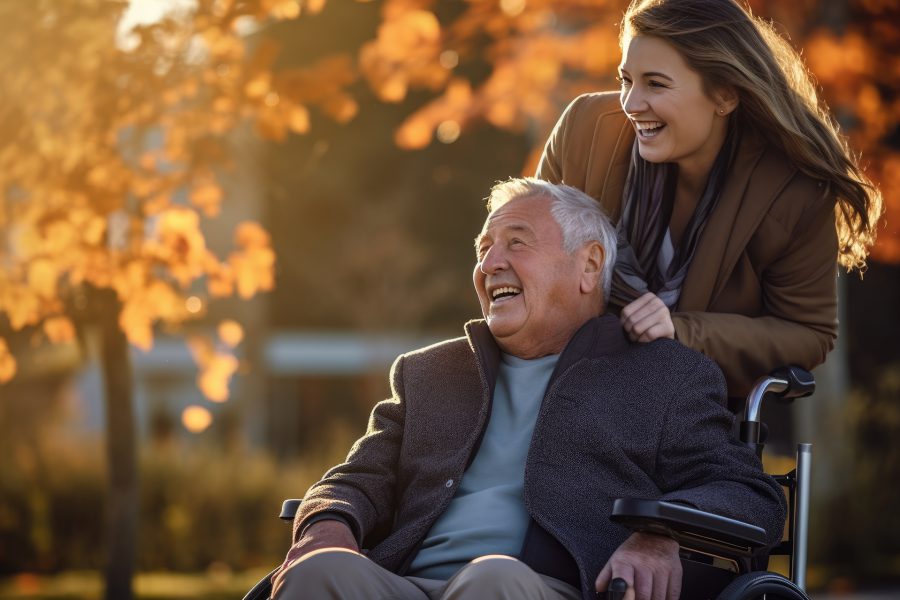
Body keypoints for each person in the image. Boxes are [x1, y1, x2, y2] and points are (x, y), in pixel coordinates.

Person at [270, 178, 786, 600]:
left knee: (491, 579)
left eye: (516, 242)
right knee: (319, 572)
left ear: (588, 266)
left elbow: (746, 492)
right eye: (484, 248)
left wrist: (662, 536)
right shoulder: (428, 373)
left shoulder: (662, 375)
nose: (490, 263)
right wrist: (327, 525)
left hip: (546, 587)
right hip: (405, 584)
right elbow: (356, 477)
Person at [536, 0, 883, 399]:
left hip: (687, 411)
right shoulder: (585, 127)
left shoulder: (794, 193)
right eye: (626, 80)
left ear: (724, 96)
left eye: (656, 84)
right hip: (566, 388)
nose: (630, 104)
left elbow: (808, 333)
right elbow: (526, 246)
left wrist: (682, 330)